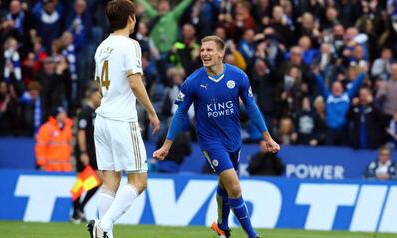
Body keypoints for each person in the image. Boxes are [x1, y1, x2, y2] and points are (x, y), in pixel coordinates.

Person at [153, 35, 279, 238]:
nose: (204, 54)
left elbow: (252, 107)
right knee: (235, 187)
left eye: (209, 50)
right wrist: (167, 145)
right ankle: (252, 235)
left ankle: (222, 227)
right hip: (210, 142)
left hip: (233, 140)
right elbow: (180, 114)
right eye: (203, 50)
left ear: (221, 53)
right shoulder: (193, 81)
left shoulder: (238, 77)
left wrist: (267, 137)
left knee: (225, 184)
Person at [87, 1, 160, 238]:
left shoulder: (102, 47)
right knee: (139, 180)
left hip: (103, 118)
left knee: (110, 181)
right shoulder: (131, 45)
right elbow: (135, 81)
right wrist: (151, 111)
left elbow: (100, 86)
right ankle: (103, 225)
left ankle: (104, 234)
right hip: (121, 118)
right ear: (130, 18)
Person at [71, 87, 101, 223]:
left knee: (93, 181)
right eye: (98, 96)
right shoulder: (85, 111)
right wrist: (83, 152)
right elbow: (81, 133)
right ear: (91, 96)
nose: (100, 99)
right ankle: (77, 210)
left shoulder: (94, 112)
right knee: (83, 182)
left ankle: (79, 210)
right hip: (86, 152)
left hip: (92, 151)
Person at [35, 106, 73, 171]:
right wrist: (41, 164)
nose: (64, 115)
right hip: (50, 168)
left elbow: (69, 146)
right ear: (56, 116)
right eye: (61, 114)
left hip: (65, 168)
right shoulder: (46, 128)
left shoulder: (67, 128)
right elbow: (41, 147)